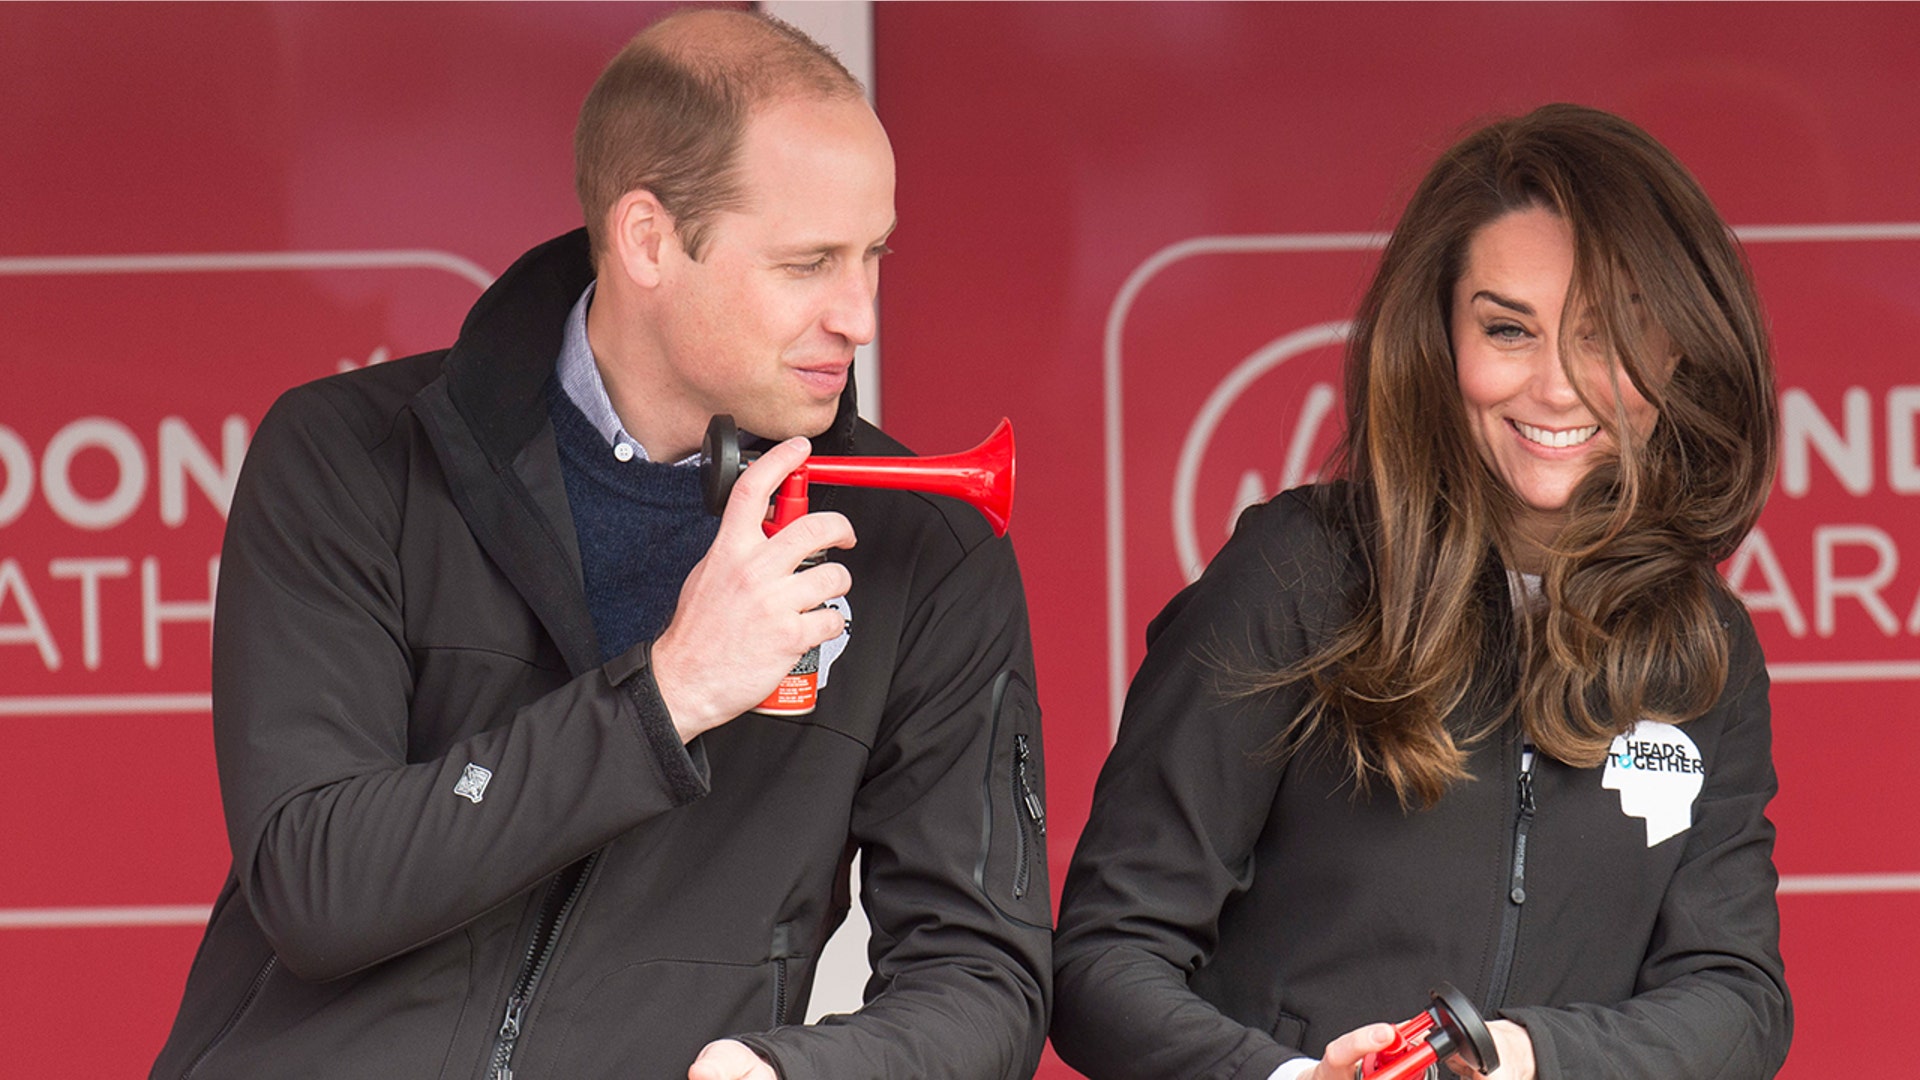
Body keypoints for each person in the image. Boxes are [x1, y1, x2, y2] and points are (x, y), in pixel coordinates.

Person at [150, 11, 1050, 1080]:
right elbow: (316, 883)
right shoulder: (347, 453)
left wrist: (799, 1073)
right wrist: (665, 697)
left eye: (873, 257)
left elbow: (984, 973)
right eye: (808, 263)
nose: (858, 315)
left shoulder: (928, 548)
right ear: (647, 241)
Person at [1050, 104, 1789, 1080]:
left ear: (1679, 352)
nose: (1559, 388)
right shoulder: (1299, 572)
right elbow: (1104, 960)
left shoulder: (1704, 646)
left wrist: (1524, 1058)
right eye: (1508, 329)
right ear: (1439, 342)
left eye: (1607, 335)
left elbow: (1738, 1002)